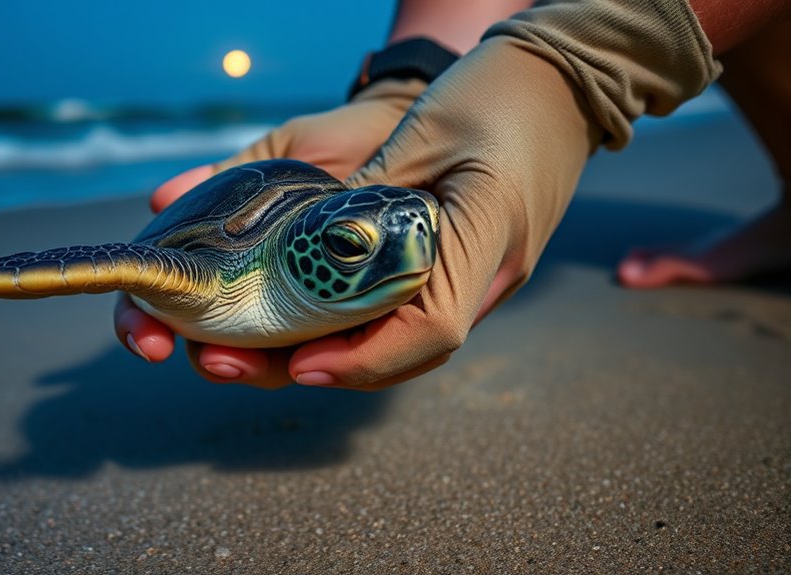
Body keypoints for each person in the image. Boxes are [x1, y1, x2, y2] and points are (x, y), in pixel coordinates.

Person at [115, 0, 791, 391]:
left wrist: (582, 64)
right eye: (349, 246)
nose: (416, 251)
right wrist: (411, 83)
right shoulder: (216, 273)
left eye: (426, 227)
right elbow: (140, 259)